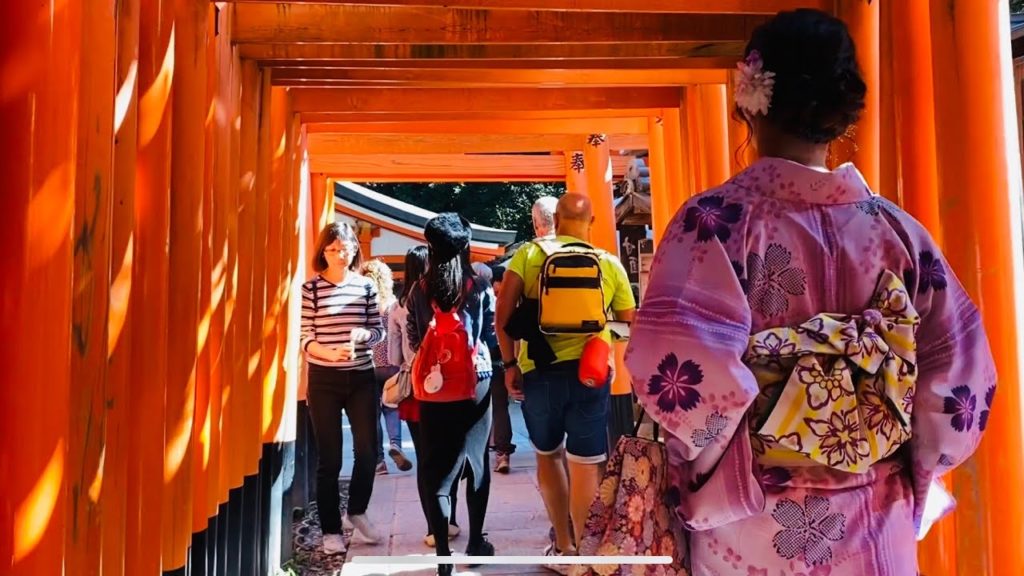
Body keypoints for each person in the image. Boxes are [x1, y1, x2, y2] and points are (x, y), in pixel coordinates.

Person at [624, 9, 996, 576]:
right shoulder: (899, 234)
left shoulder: (714, 224)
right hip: (876, 512)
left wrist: (713, 461)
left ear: (749, 97)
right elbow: (959, 385)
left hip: (752, 521)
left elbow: (675, 378)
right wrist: (899, 455)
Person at [495, 193, 636, 571]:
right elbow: (628, 324)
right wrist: (602, 340)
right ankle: (587, 556)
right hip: (590, 376)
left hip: (539, 373)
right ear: (590, 223)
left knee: (548, 455)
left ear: (555, 219)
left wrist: (510, 364)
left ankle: (564, 547)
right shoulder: (608, 263)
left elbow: (503, 314)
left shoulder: (529, 255)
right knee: (586, 464)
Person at [407, 213, 496, 575]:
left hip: (433, 386)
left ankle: (444, 554)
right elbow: (489, 335)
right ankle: (475, 542)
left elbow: (414, 339)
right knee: (476, 463)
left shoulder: (419, 289)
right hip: (477, 381)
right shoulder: (479, 286)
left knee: (436, 471)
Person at [300, 222, 387, 555]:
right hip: (324, 379)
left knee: (368, 450)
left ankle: (357, 510)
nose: (340, 254)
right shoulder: (312, 289)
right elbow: (305, 337)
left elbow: (378, 330)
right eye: (333, 249)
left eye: (346, 248)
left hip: (361, 376)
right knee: (330, 458)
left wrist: (367, 336)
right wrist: (328, 352)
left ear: (355, 250)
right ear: (323, 252)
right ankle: (330, 529)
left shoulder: (366, 286)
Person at [389, 246, 462, 547]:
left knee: (426, 460)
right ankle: (451, 518)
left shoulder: (397, 307)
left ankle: (434, 527)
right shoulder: (444, 299)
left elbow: (395, 355)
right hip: (447, 386)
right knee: (452, 455)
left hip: (415, 390)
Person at [361, 258, 413, 475]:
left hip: (368, 364)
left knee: (371, 414)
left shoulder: (362, 303)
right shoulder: (394, 303)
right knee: (391, 407)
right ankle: (396, 443)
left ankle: (378, 461)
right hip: (392, 364)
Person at [472, 261, 516, 474]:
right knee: (500, 407)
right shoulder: (505, 301)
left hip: (478, 360)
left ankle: (476, 454)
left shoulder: (473, 299)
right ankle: (502, 453)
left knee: (477, 407)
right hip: (500, 359)